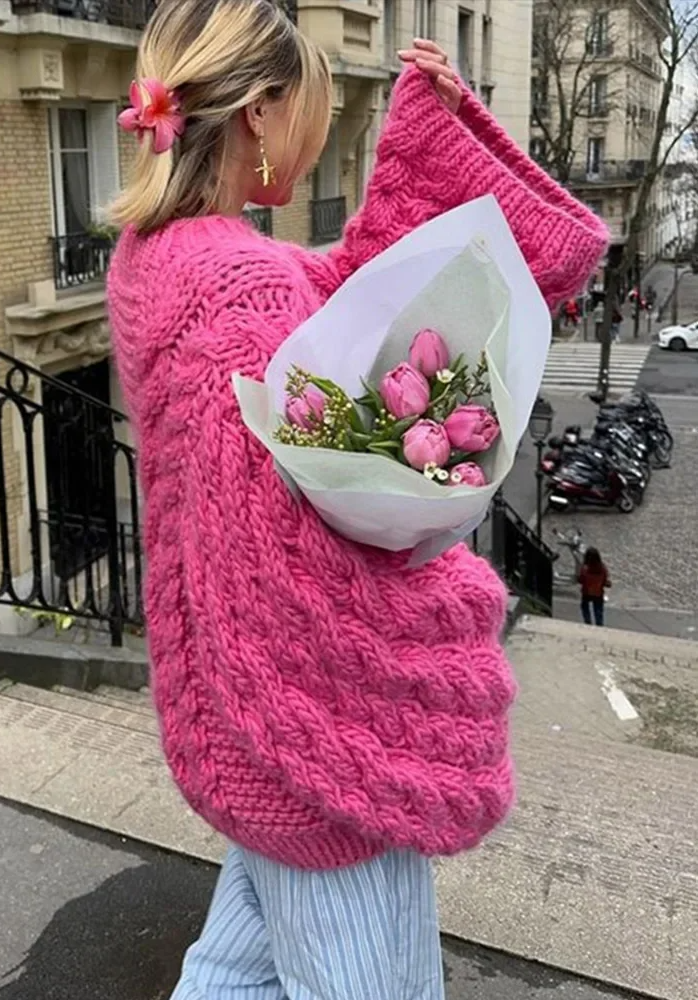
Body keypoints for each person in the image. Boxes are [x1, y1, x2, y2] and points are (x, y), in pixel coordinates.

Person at [106, 1, 609, 996]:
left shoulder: (156, 260)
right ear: (259, 110)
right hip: (307, 756)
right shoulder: (237, 285)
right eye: (312, 108)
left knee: (234, 968)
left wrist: (445, 135)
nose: (321, 132)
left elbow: (334, 289)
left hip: (229, 723)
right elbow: (286, 567)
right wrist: (454, 611)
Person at [579, 547, 611, 626]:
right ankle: (599, 623)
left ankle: (588, 621)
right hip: (598, 593)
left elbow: (581, 580)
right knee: (598, 610)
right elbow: (605, 580)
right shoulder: (602, 568)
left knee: (584, 606)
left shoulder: (585, 569)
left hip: (586, 592)